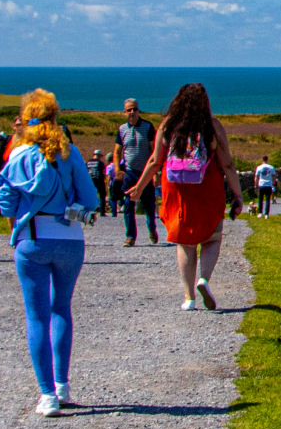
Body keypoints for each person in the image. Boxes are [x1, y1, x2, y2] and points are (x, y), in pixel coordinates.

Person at [0, 91, 99, 417]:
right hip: (70, 239)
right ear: (55, 119)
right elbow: (91, 200)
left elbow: (5, 204)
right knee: (61, 309)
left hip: (33, 238)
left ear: (26, 122)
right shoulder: (70, 152)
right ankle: (63, 385)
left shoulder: (19, 155)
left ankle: (47, 395)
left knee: (36, 315)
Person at [128, 83, 242, 311]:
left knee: (185, 243)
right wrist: (237, 195)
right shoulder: (212, 126)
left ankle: (189, 297)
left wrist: (139, 186)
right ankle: (204, 279)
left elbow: (155, 161)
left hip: (177, 189)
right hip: (207, 187)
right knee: (212, 237)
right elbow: (227, 163)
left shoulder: (168, 125)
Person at [110, 97, 159, 246]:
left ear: (138, 111)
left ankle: (152, 229)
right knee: (128, 205)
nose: (132, 112)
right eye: (129, 110)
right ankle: (130, 236)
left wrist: (155, 173)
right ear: (124, 112)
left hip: (146, 172)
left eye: (134, 109)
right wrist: (117, 170)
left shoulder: (147, 127)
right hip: (130, 173)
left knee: (149, 206)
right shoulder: (122, 130)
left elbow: (154, 150)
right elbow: (117, 151)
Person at [85, 150, 108, 215]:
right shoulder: (100, 163)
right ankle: (102, 212)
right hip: (99, 181)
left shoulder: (88, 162)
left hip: (90, 181)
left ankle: (89, 210)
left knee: (90, 195)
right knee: (102, 196)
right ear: (99, 156)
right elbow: (104, 172)